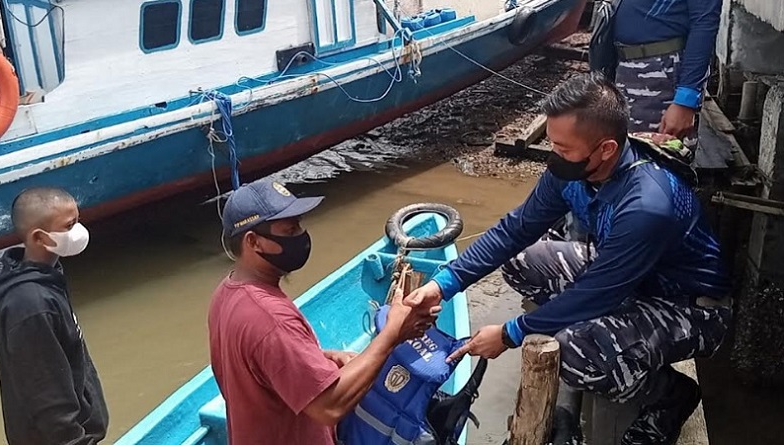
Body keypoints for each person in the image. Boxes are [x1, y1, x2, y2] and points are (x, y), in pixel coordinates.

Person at [406, 73, 732, 445]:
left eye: (564, 149)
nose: (554, 156)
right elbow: (516, 229)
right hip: (627, 277)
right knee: (520, 261)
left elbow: (596, 294)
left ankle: (668, 393)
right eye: (552, 144)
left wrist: (511, 333)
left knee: (574, 351)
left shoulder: (647, 204)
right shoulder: (573, 173)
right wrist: (443, 285)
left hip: (691, 307)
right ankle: (606, 337)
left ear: (606, 149)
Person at [208, 178, 440, 445]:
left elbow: (262, 360)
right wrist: (391, 335)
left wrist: (325, 359)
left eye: (299, 226)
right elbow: (328, 407)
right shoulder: (270, 318)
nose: (301, 236)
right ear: (254, 242)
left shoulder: (227, 293)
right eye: (290, 229)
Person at [0, 187, 109, 445]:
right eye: (69, 225)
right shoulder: (31, 307)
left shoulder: (48, 275)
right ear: (39, 237)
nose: (78, 231)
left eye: (77, 220)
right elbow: (47, 398)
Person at [612, 0, 722, 151]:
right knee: (623, 154)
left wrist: (685, 101)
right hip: (623, 66)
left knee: (655, 159)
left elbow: (704, 23)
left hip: (660, 71)